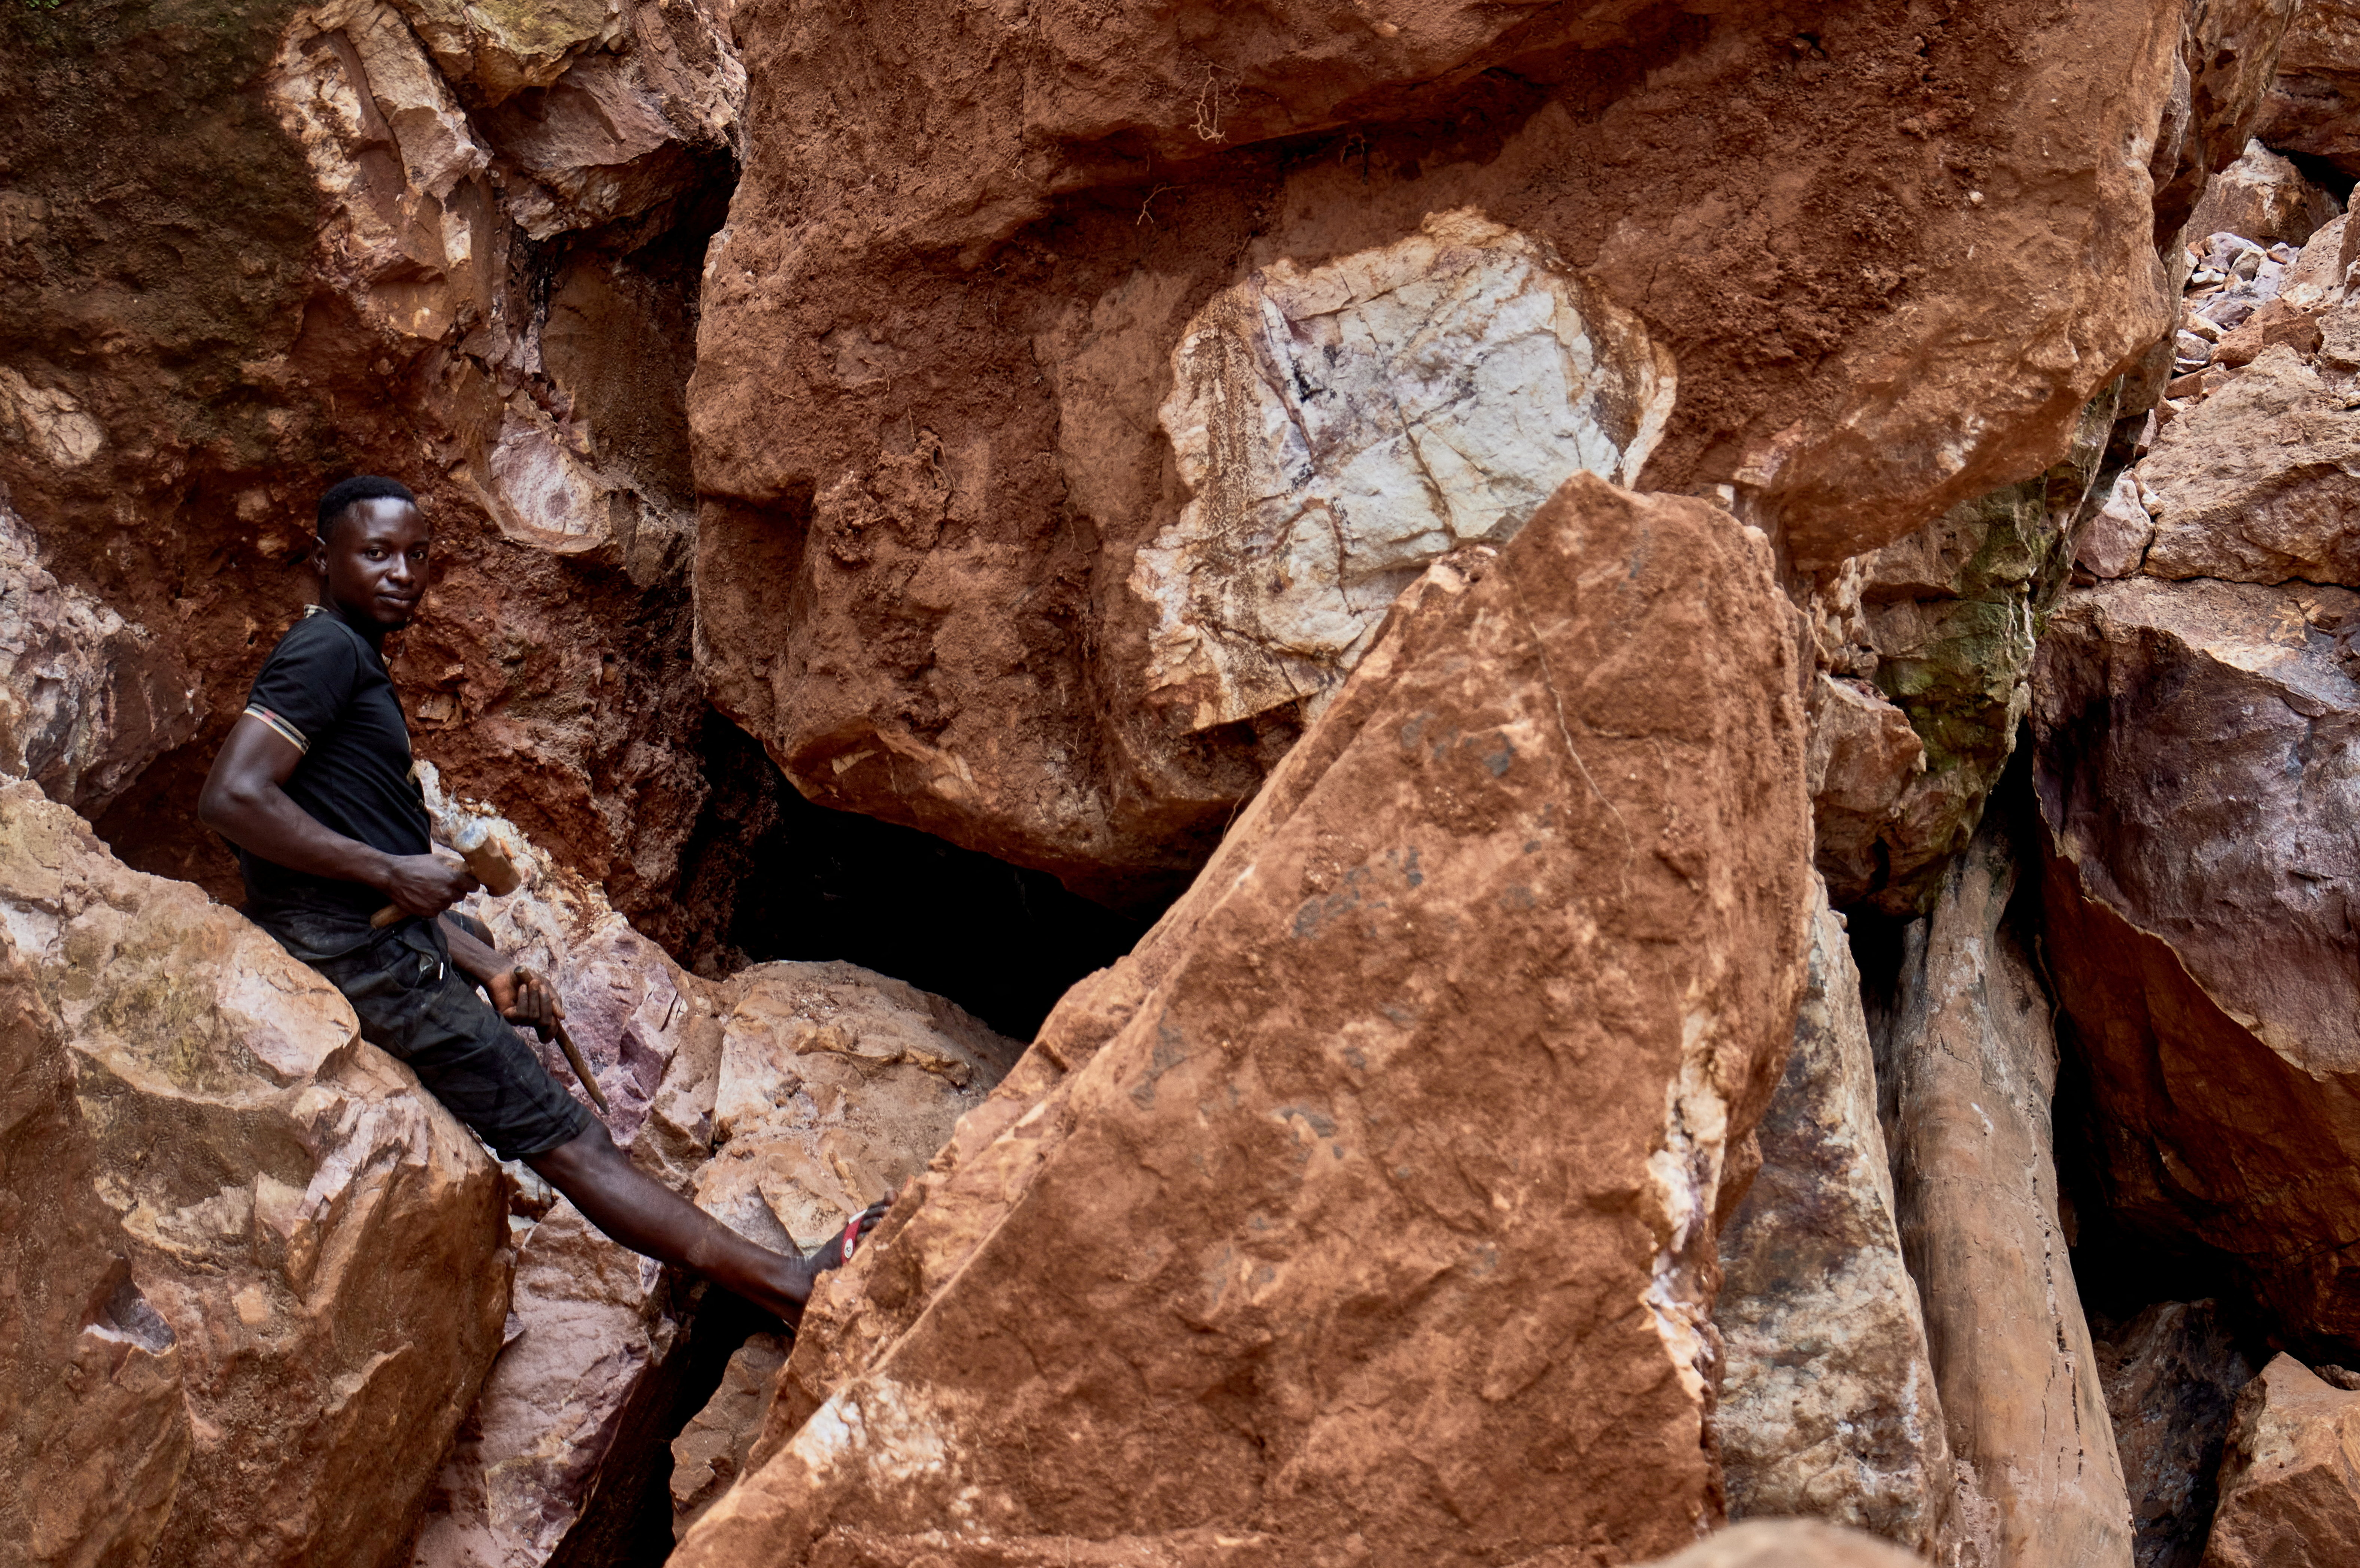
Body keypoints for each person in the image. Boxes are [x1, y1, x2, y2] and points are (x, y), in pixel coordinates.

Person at [199, 475, 881, 1320]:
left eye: (416, 554)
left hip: (375, 943)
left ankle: (771, 1285)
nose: (401, 572)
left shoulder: (352, 660)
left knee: (498, 977)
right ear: (323, 558)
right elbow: (231, 798)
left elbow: (334, 831)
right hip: (364, 960)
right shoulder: (326, 652)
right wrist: (391, 871)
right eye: (375, 553)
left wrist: (483, 963)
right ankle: (789, 1287)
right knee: (576, 1144)